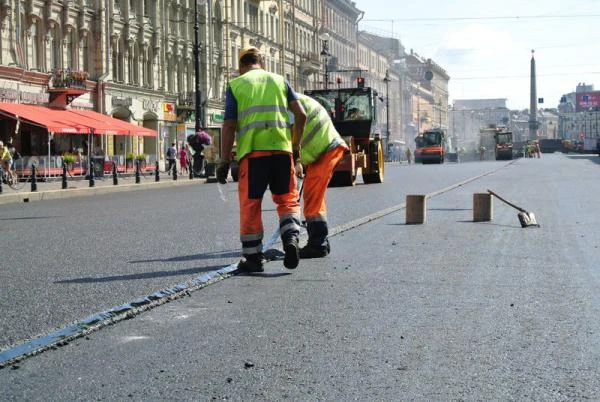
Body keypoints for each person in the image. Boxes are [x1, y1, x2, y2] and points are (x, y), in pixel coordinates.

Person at [216, 46, 307, 273]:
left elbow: (229, 125)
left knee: (251, 204)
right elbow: (301, 114)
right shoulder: (279, 81)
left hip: (253, 154)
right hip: (282, 151)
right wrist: (295, 147)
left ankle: (253, 258)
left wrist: (224, 160)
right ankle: (291, 239)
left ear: (241, 66)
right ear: (262, 63)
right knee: (287, 200)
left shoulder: (237, 85)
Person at [294, 93, 348, 258]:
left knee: (312, 196)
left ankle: (318, 245)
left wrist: (296, 160)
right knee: (314, 196)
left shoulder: (285, 104)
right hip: (322, 151)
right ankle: (321, 242)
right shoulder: (289, 99)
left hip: (326, 149)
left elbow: (293, 135)